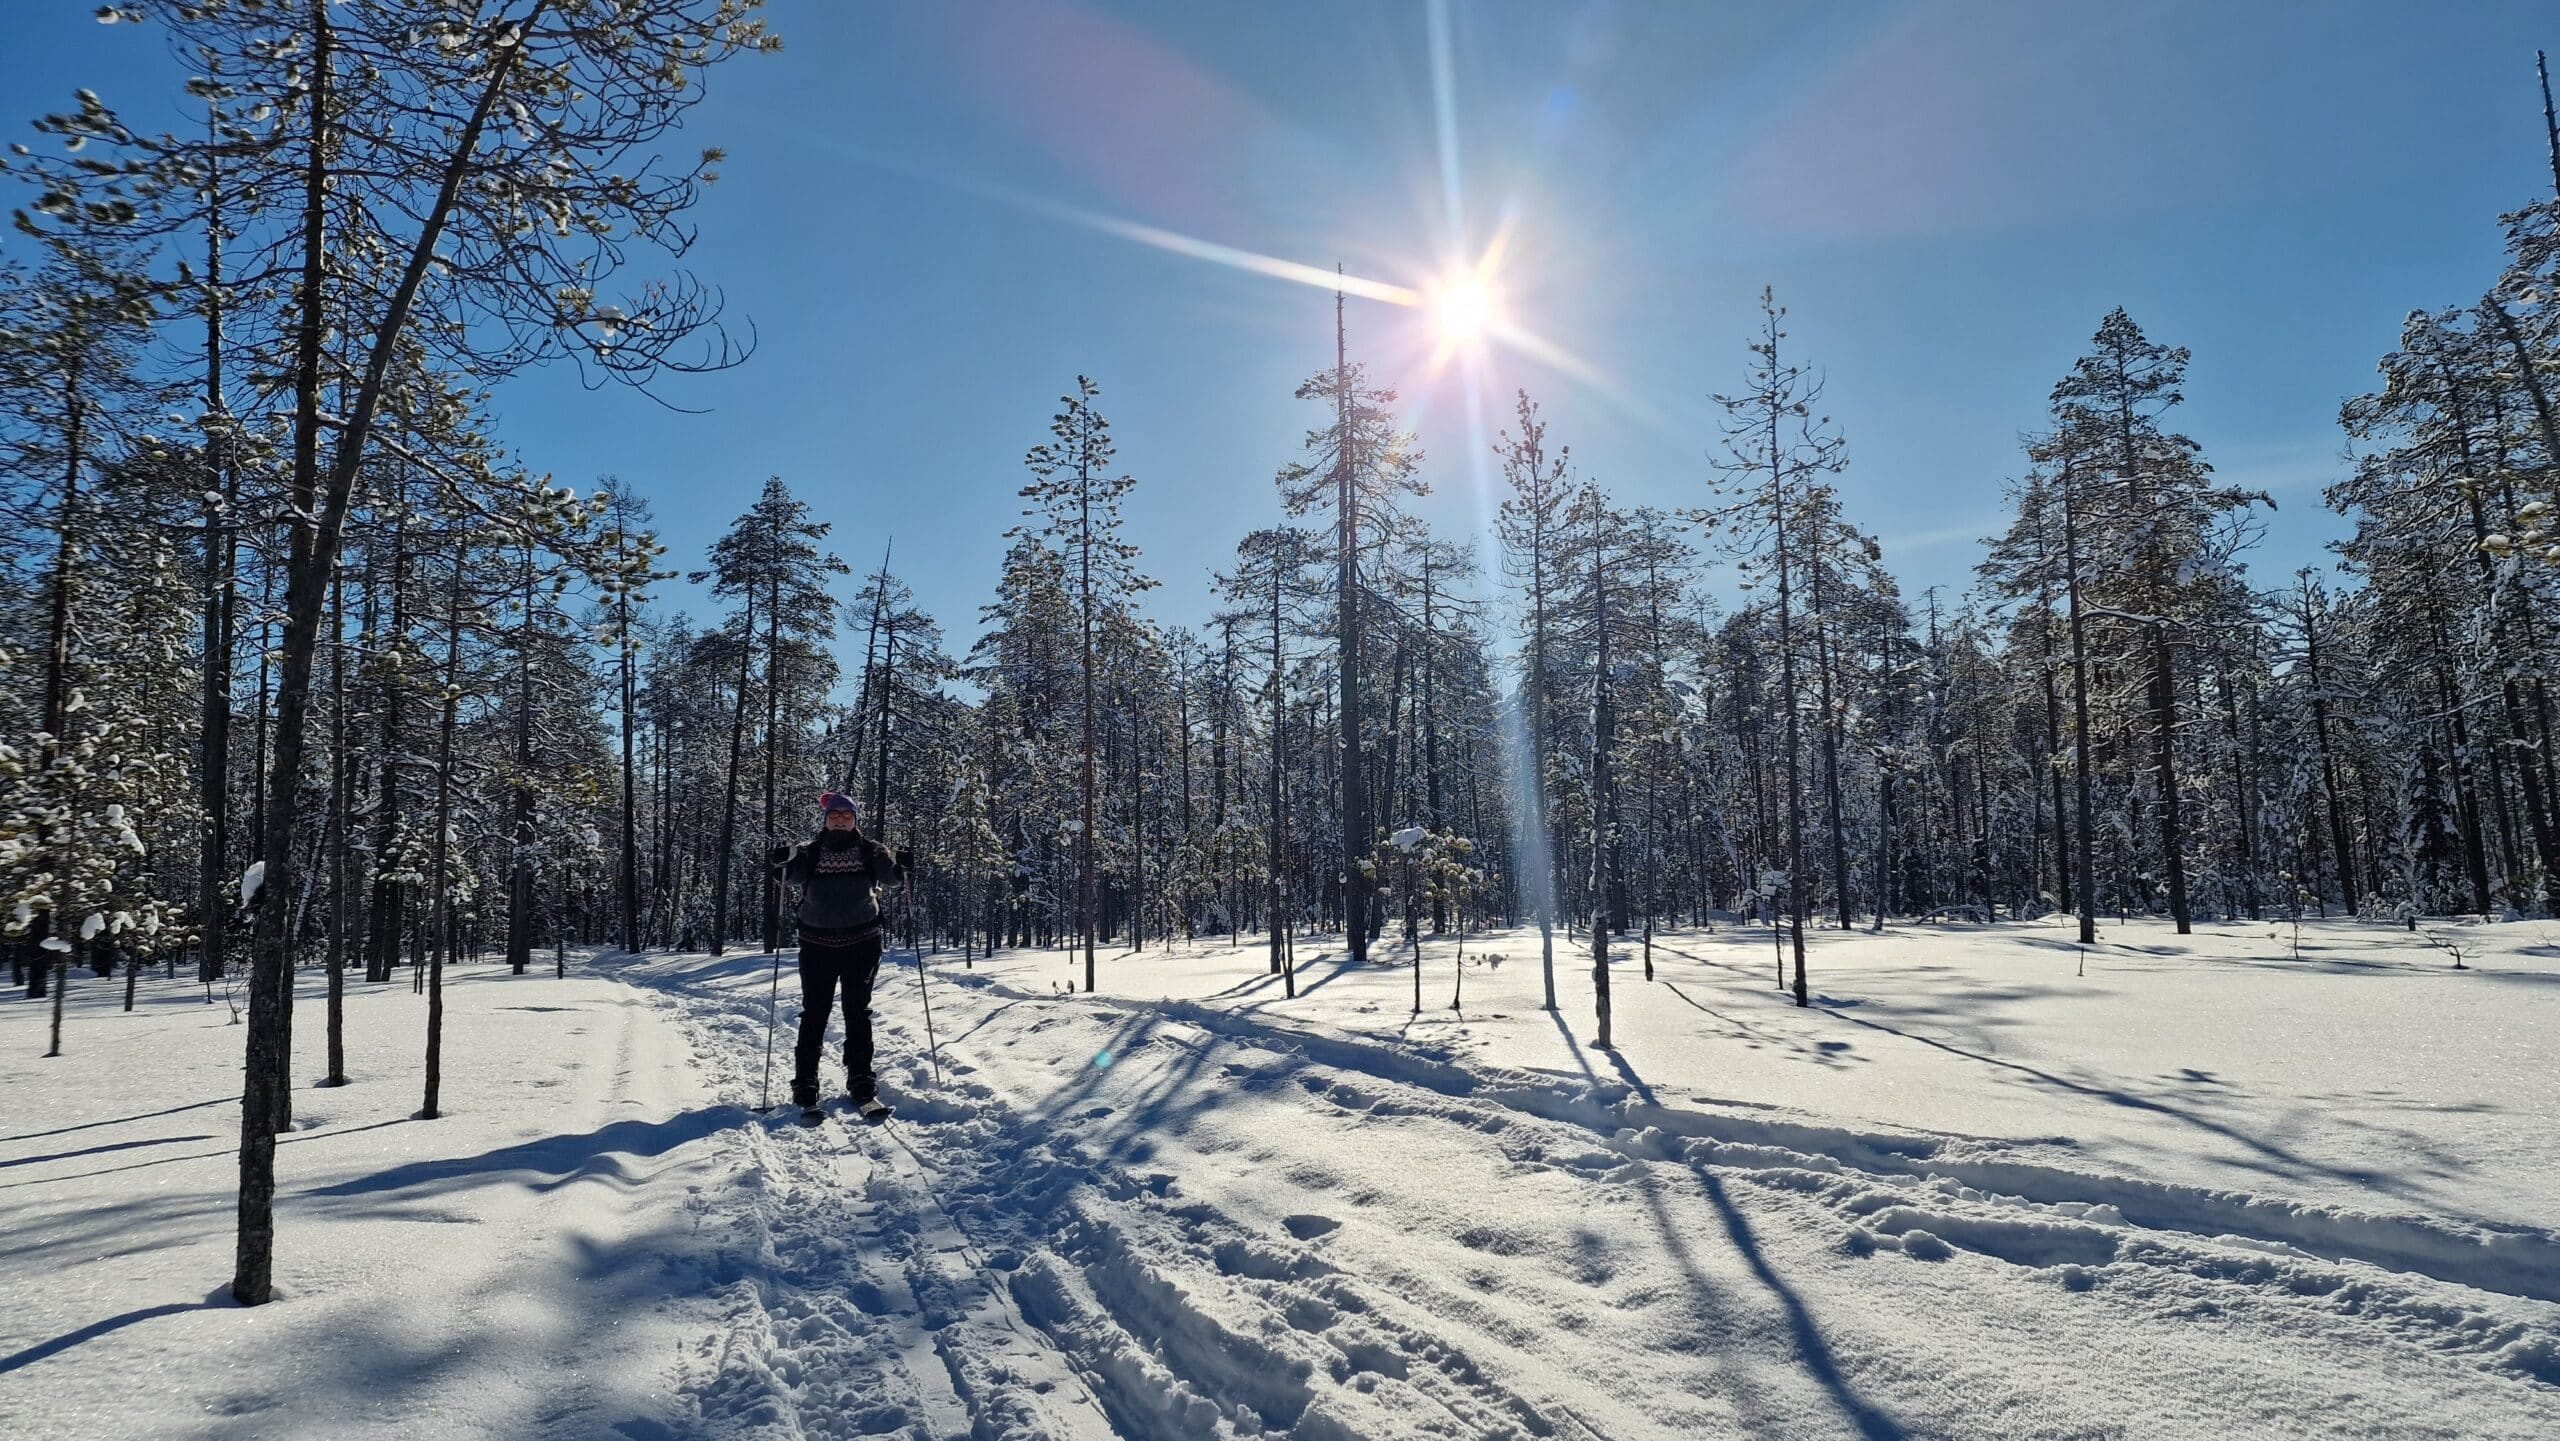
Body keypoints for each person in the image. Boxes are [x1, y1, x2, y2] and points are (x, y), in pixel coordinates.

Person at [773, 792, 909, 1117]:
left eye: (847, 815)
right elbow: (789, 876)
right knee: (815, 1013)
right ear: (825, 818)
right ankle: (805, 1084)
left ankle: (862, 1083)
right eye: (834, 814)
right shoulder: (810, 851)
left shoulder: (870, 850)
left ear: (855, 820)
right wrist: (779, 862)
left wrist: (902, 867)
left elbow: (890, 878)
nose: (840, 819)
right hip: (816, 944)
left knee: (857, 1013)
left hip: (862, 942)